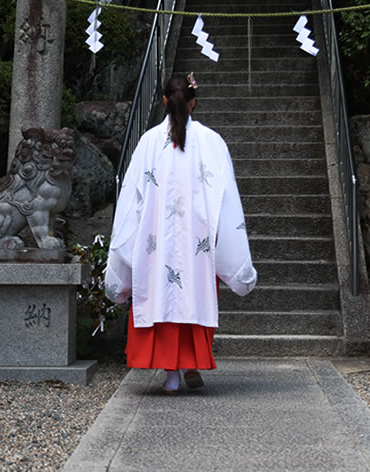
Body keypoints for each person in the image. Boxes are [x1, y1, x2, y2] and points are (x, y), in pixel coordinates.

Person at [104, 72, 257, 393]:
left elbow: (132, 196)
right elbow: (226, 197)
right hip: (197, 242)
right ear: (193, 102)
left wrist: (125, 251)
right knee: (194, 295)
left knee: (160, 295)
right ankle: (189, 363)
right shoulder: (212, 142)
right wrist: (228, 246)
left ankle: (171, 376)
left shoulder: (148, 143)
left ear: (163, 101)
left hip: (153, 242)